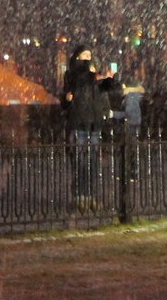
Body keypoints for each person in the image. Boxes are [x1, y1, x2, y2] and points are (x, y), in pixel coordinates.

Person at [61, 45, 116, 210]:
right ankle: (80, 196)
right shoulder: (73, 75)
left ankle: (91, 195)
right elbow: (78, 81)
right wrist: (67, 99)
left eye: (89, 55)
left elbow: (107, 92)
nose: (87, 58)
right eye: (84, 55)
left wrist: (108, 79)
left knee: (92, 163)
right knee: (80, 162)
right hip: (78, 123)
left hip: (94, 124)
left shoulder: (94, 78)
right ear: (77, 58)